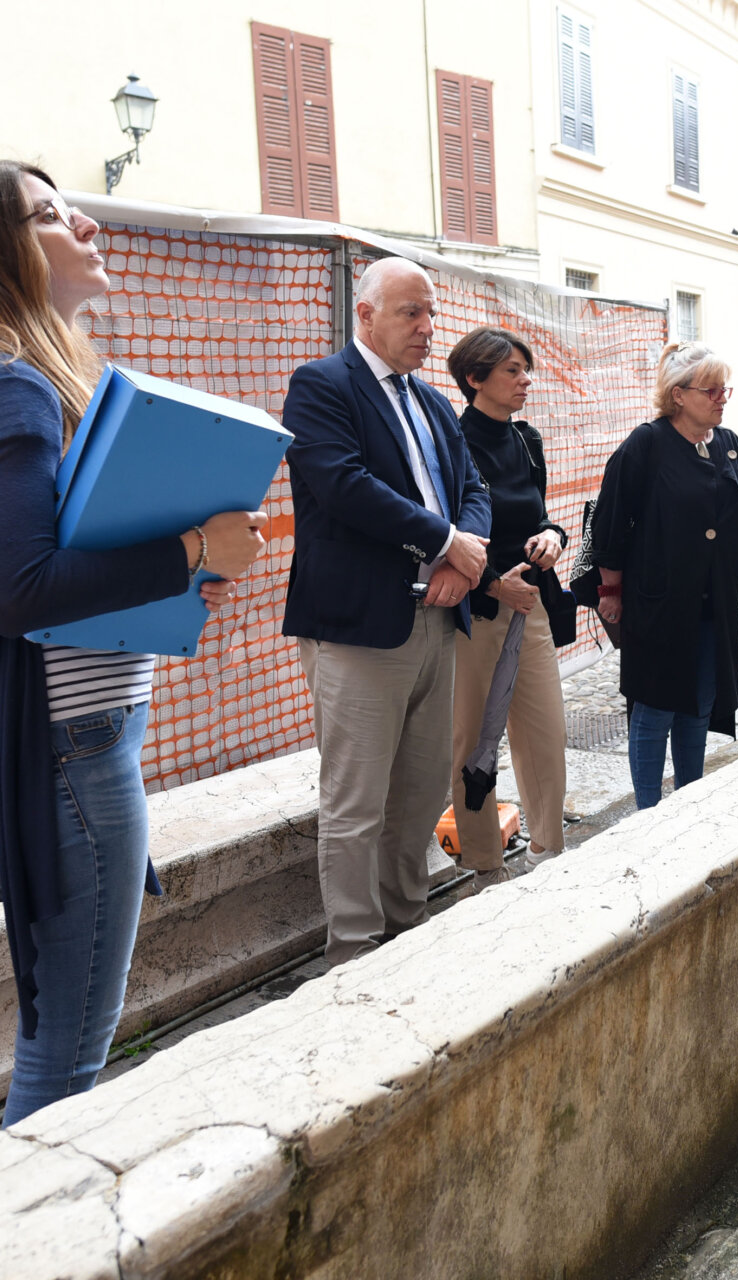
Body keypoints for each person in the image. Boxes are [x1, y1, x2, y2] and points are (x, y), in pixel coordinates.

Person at [0, 161, 269, 1125]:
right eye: (49, 214)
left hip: (64, 745)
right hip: (76, 753)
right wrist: (189, 547)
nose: (85, 223)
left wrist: (174, 580)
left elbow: (44, 571)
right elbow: (18, 592)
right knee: (64, 1062)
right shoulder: (10, 388)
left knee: (56, 1032)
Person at [282, 257, 493, 965]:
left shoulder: (432, 402)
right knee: (356, 800)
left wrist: (462, 566)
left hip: (438, 620)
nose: (428, 328)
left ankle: (408, 924)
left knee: (419, 792)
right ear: (365, 314)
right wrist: (445, 541)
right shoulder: (321, 386)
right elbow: (342, 485)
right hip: (360, 629)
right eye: (411, 313)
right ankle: (353, 948)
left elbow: (474, 489)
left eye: (431, 313)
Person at [591, 343, 738, 809]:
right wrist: (610, 591)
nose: (722, 398)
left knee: (698, 705)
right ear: (678, 395)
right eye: (712, 390)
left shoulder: (726, 443)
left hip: (714, 603)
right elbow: (609, 526)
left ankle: (688, 802)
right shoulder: (646, 444)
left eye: (725, 389)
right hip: (659, 602)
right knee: (655, 706)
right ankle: (647, 812)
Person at [444, 326, 576, 891]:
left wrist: (553, 535)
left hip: (534, 606)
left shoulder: (528, 440)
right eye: (512, 371)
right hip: (477, 609)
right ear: (476, 379)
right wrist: (495, 584)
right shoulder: (450, 443)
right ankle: (483, 864)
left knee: (545, 732)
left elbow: (540, 513)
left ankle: (550, 851)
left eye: (526, 369)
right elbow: (447, 535)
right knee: (472, 737)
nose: (526, 381)